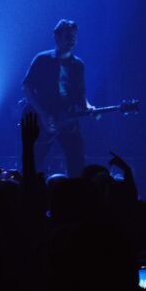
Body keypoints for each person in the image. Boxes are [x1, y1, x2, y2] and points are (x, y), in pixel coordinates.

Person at [22, 19, 90, 177]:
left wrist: (88, 106)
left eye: (74, 37)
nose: (72, 40)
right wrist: (43, 114)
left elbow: (81, 95)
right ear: (57, 37)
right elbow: (27, 87)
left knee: (77, 161)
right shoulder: (42, 59)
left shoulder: (78, 65)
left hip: (68, 119)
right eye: (68, 36)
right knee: (34, 162)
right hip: (43, 118)